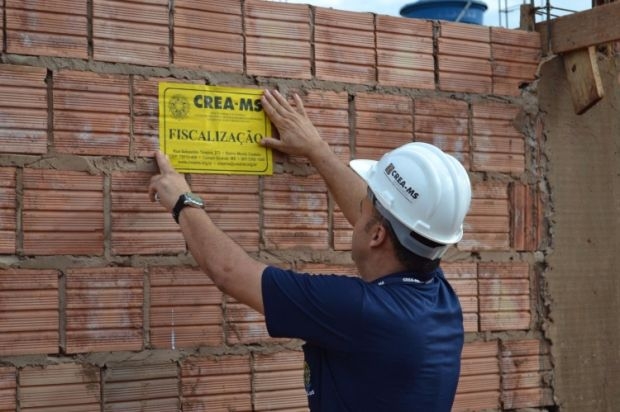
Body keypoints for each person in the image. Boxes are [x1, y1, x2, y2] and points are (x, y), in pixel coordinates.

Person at [149, 89, 472, 411]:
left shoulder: (359, 310)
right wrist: (317, 150)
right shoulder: (437, 296)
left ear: (377, 236)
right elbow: (388, 225)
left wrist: (182, 201)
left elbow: (230, 273)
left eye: (365, 207)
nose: (359, 210)